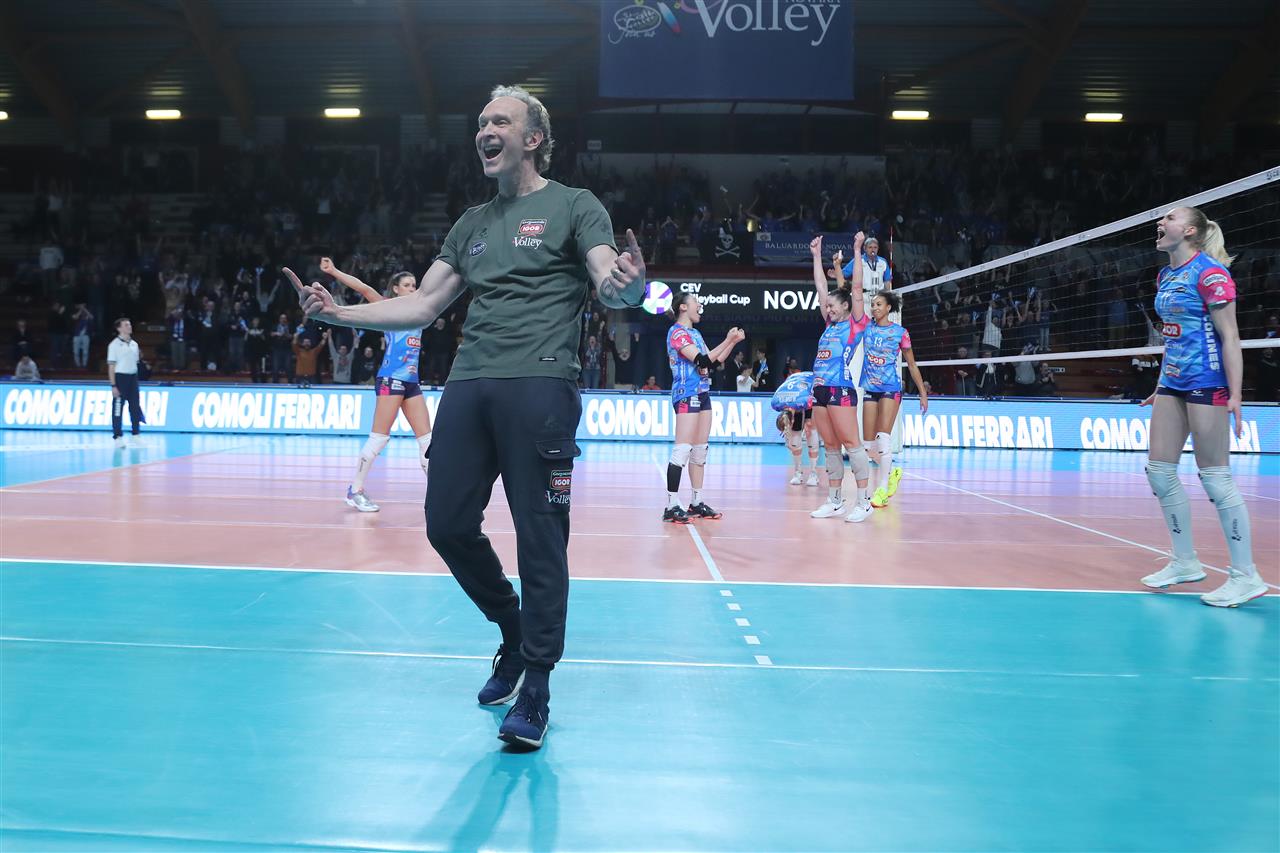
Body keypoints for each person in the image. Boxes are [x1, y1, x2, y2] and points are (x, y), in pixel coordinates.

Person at [289, 84, 646, 749]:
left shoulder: (575, 205)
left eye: (500, 120)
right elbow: (422, 306)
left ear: (532, 138)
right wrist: (338, 313)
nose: (485, 129)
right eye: (481, 121)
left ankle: (536, 683)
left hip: (541, 384)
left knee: (540, 537)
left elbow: (607, 277)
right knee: (446, 523)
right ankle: (512, 626)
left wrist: (627, 286)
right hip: (469, 384)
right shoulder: (471, 224)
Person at [1138, 206, 1265, 607]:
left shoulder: (1210, 274)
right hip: (1173, 382)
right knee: (1159, 473)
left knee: (1215, 478)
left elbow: (1231, 337)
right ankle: (1184, 562)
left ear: (1190, 230)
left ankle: (1245, 576)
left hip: (1207, 382)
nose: (1160, 223)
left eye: (1169, 219)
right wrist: (1160, 385)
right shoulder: (1166, 275)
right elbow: (1172, 338)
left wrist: (1235, 394)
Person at [314, 257, 432, 511]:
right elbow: (364, 289)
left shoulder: (421, 313)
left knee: (428, 441)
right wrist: (334, 271)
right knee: (379, 439)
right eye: (407, 285)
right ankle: (355, 490)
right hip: (390, 380)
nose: (412, 288)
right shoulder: (388, 310)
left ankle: (437, 496)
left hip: (411, 383)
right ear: (396, 290)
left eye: (414, 285)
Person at [808, 234, 874, 524]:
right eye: (827, 307)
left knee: (852, 444)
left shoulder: (855, 323)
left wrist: (857, 250)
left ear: (846, 306)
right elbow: (821, 287)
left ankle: (864, 502)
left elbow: (856, 287)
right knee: (831, 447)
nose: (828, 309)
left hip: (841, 389)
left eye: (832, 306)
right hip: (820, 390)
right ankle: (834, 500)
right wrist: (816, 255)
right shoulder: (829, 325)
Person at [662, 293, 745, 523]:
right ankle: (671, 505)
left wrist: (733, 342)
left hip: (702, 393)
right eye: (695, 302)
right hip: (686, 393)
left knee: (700, 451)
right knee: (682, 450)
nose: (699, 305)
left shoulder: (695, 334)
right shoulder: (677, 333)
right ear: (683, 307)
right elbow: (702, 360)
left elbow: (715, 361)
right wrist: (728, 339)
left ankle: (696, 502)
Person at [861, 290, 928, 508]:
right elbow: (853, 298)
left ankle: (881, 491)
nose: (874, 308)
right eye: (872, 304)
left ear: (888, 307)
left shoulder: (900, 333)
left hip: (890, 388)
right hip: (870, 388)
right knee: (868, 446)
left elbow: (912, 365)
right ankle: (891, 473)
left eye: (878, 304)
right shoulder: (867, 327)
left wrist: (922, 392)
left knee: (883, 438)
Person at [107, 317, 143, 448]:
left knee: (135, 407)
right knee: (118, 408)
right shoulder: (114, 345)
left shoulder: (134, 344)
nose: (129, 327)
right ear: (119, 328)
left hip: (133, 378)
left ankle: (136, 434)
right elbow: (111, 366)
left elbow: (136, 363)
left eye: (130, 324)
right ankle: (117, 436)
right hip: (120, 378)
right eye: (126, 325)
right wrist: (113, 385)